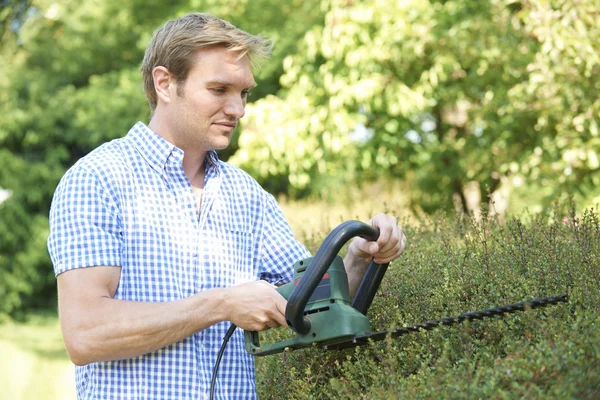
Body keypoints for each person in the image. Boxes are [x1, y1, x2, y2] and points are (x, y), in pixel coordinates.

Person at [47, 12, 407, 400]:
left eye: (244, 93)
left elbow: (310, 305)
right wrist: (221, 304)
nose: (238, 109)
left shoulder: (245, 194)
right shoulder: (98, 180)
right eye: (219, 90)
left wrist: (358, 256)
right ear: (165, 83)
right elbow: (86, 333)